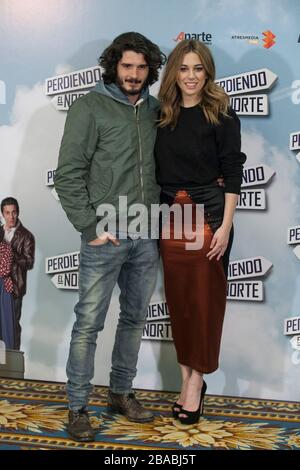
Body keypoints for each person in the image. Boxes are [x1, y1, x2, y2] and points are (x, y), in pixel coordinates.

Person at [55, 32, 165, 442]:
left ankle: (121, 392)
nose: (134, 74)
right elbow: (68, 173)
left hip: (146, 232)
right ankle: (78, 405)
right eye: (127, 66)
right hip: (106, 235)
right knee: (88, 324)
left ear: (149, 70)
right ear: (113, 66)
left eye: (141, 67)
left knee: (135, 320)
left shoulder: (156, 109)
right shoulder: (89, 107)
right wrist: (89, 225)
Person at [155, 40, 246, 425]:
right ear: (174, 72)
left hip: (209, 218)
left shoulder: (222, 116)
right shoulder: (160, 115)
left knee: (205, 306)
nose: (191, 77)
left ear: (207, 73)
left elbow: (233, 172)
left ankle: (196, 383)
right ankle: (186, 378)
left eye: (198, 69)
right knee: (180, 305)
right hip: (169, 218)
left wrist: (225, 227)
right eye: (184, 68)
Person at [0, 197, 35, 350]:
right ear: (2, 214)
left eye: (14, 212)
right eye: (7, 213)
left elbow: (29, 262)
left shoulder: (26, 236)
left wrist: (10, 256)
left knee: (12, 327)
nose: (11, 216)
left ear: (18, 212)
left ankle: (12, 365)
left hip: (14, 288)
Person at [0, 240, 15, 349]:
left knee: (4, 324)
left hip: (2, 287)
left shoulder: (5, 248)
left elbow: (4, 270)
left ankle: (5, 358)